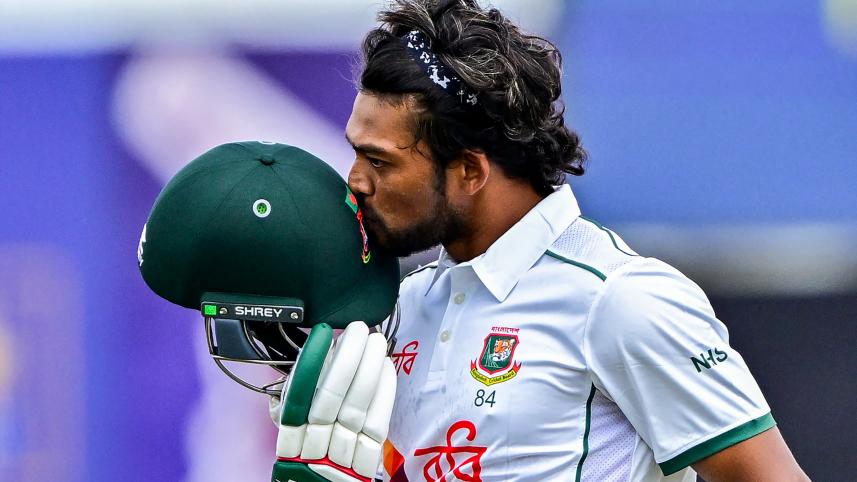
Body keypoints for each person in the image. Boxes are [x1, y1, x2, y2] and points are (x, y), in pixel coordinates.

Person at [343, 1, 810, 481]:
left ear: (469, 170)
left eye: (378, 161)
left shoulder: (621, 298)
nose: (355, 179)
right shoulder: (405, 301)